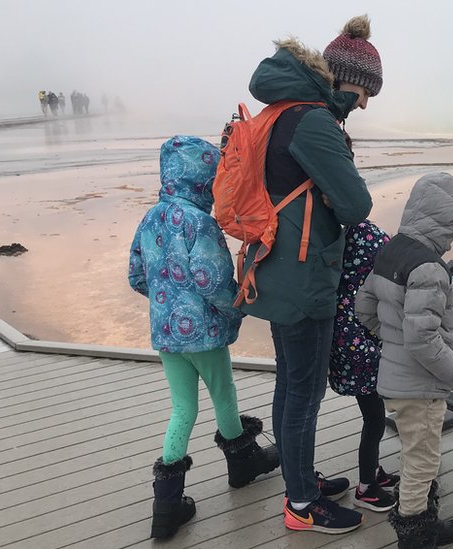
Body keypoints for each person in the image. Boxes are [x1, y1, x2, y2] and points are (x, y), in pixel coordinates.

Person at [238, 14, 380, 535]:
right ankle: (302, 504)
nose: (365, 105)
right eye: (365, 92)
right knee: (303, 392)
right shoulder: (314, 120)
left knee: (290, 385)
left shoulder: (279, 111)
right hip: (304, 278)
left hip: (273, 267)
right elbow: (355, 204)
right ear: (344, 79)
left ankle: (300, 481)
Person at [128, 136, 280, 539]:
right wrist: (236, 304)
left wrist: (166, 303)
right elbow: (210, 277)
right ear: (203, 179)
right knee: (223, 393)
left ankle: (166, 506)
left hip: (166, 334)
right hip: (203, 333)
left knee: (183, 409)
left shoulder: (151, 218)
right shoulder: (199, 222)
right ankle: (243, 462)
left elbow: (137, 275)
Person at [356, 172, 453, 549]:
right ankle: (415, 534)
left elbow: (365, 307)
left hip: (396, 375)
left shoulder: (391, 251)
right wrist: (451, 370)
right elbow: (422, 337)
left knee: (414, 452)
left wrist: (388, 339)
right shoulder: (428, 268)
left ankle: (423, 520)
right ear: (442, 220)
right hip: (421, 384)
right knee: (423, 459)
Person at [328, 220, 401, 513]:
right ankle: (366, 487)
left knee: (375, 421)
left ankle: (374, 471)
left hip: (362, 371)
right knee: (374, 423)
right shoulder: (352, 307)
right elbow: (357, 347)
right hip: (364, 374)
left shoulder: (345, 294)